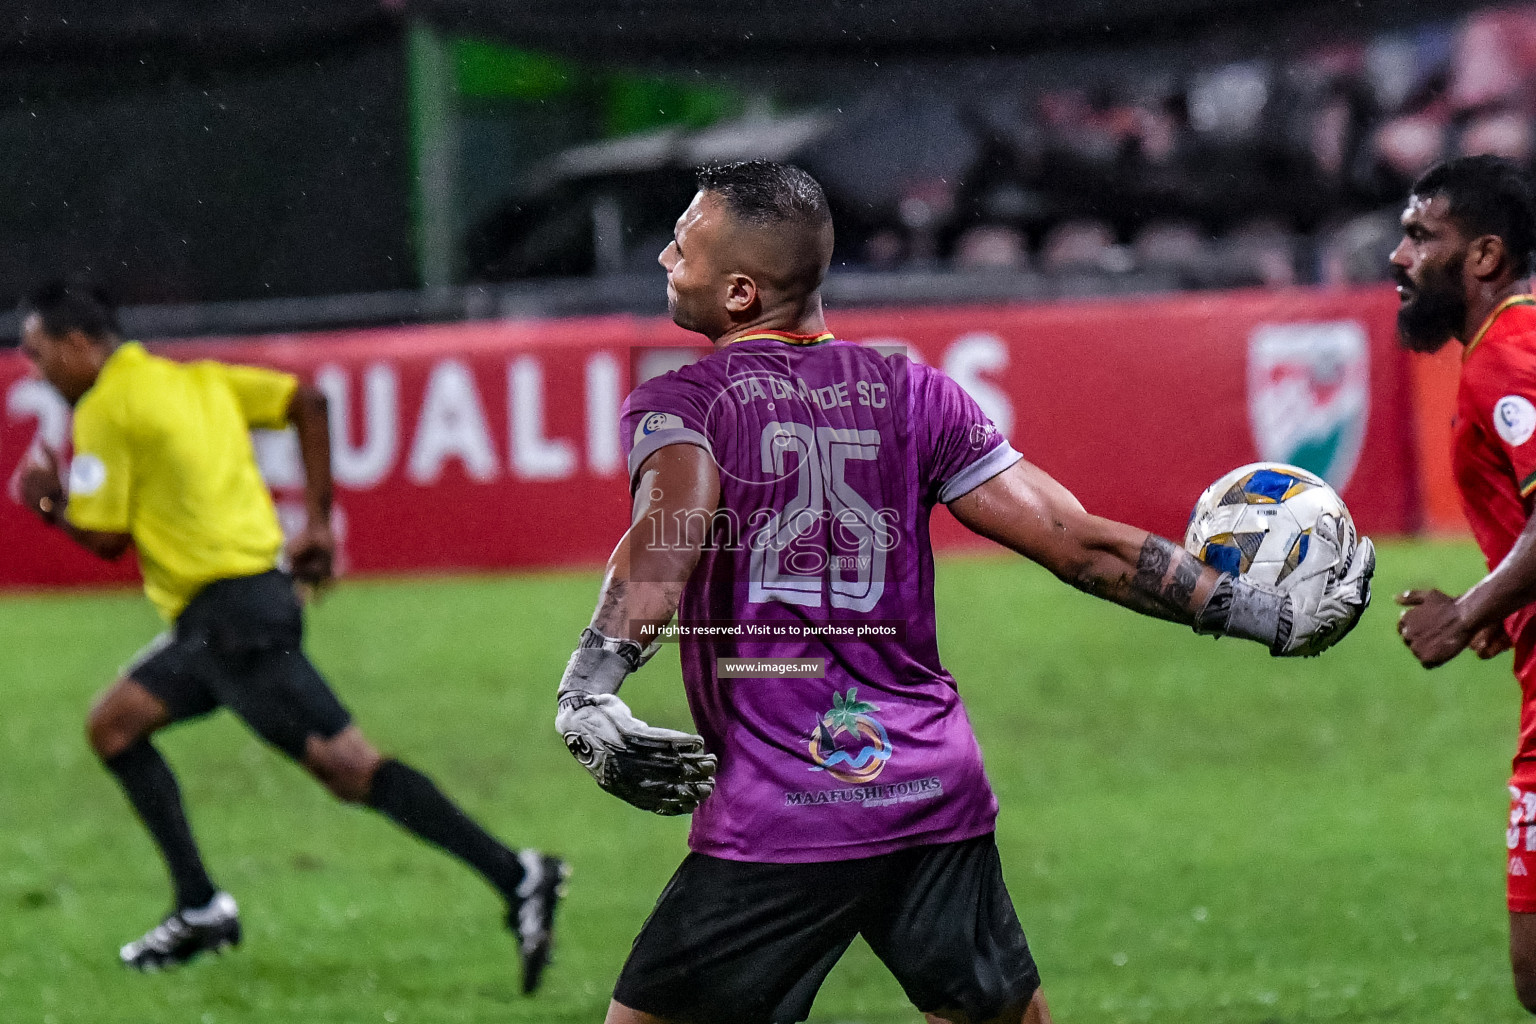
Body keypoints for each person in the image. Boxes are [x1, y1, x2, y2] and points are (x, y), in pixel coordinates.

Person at [552, 160, 1375, 1024]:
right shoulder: (917, 393)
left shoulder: (684, 401)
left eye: (681, 250)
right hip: (926, 794)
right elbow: (1076, 542)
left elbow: (665, 541)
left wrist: (589, 685)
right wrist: (1265, 613)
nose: (663, 260)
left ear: (743, 293)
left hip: (785, 814)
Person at [11, 279, 566, 991]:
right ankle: (199, 906)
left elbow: (108, 536)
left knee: (350, 768)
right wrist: (319, 522)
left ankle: (517, 875)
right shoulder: (197, 380)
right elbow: (309, 401)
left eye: (40, 352)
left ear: (79, 345)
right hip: (238, 608)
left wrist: (49, 503)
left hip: (231, 623)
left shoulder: (106, 410)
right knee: (115, 726)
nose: (37, 369)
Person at [1392, 154, 1536, 1014]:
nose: (1398, 258)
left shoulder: (1506, 358)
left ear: (1484, 256)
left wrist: (1469, 611)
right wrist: (1508, 603)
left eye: (1419, 237)